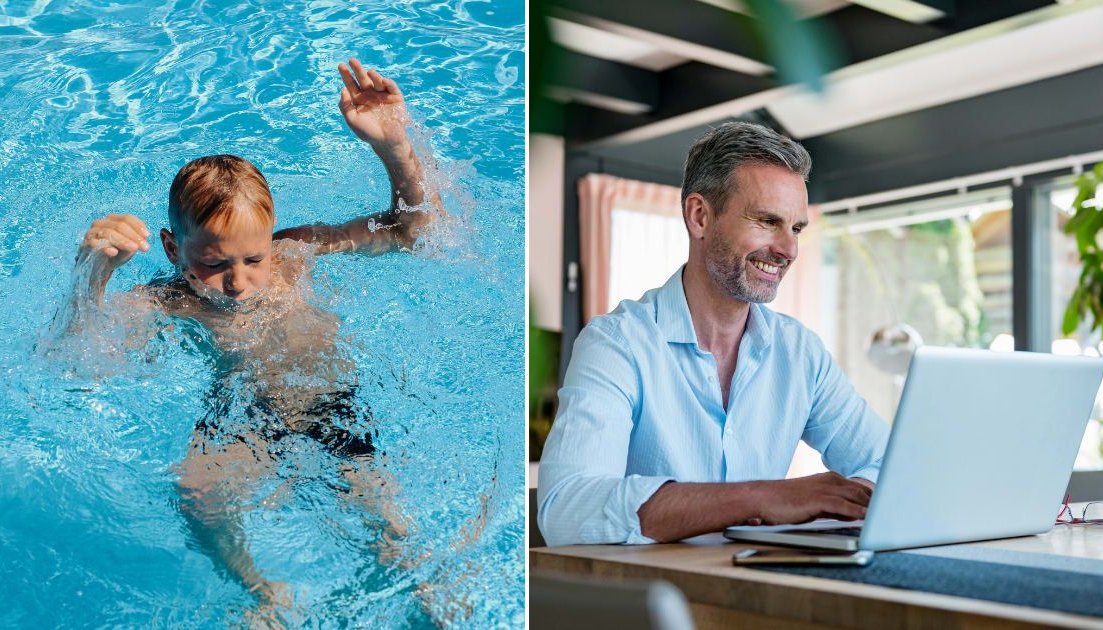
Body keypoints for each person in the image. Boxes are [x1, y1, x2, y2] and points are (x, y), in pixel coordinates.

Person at [66, 59, 452, 614]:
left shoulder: (297, 252)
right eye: (212, 262)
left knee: (391, 533)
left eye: (254, 257)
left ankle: (425, 591)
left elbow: (415, 231)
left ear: (273, 239)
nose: (239, 281)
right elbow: (81, 360)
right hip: (247, 414)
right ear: (174, 250)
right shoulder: (172, 300)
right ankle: (261, 595)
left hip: (333, 402)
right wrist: (92, 272)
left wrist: (395, 150)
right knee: (197, 495)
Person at [537, 122, 889, 546]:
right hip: (646, 603)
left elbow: (889, 463)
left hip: (760, 592)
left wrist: (829, 506)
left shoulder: (801, 354)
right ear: (700, 216)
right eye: (766, 221)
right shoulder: (616, 344)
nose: (789, 249)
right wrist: (761, 497)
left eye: (796, 228)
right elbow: (566, 509)